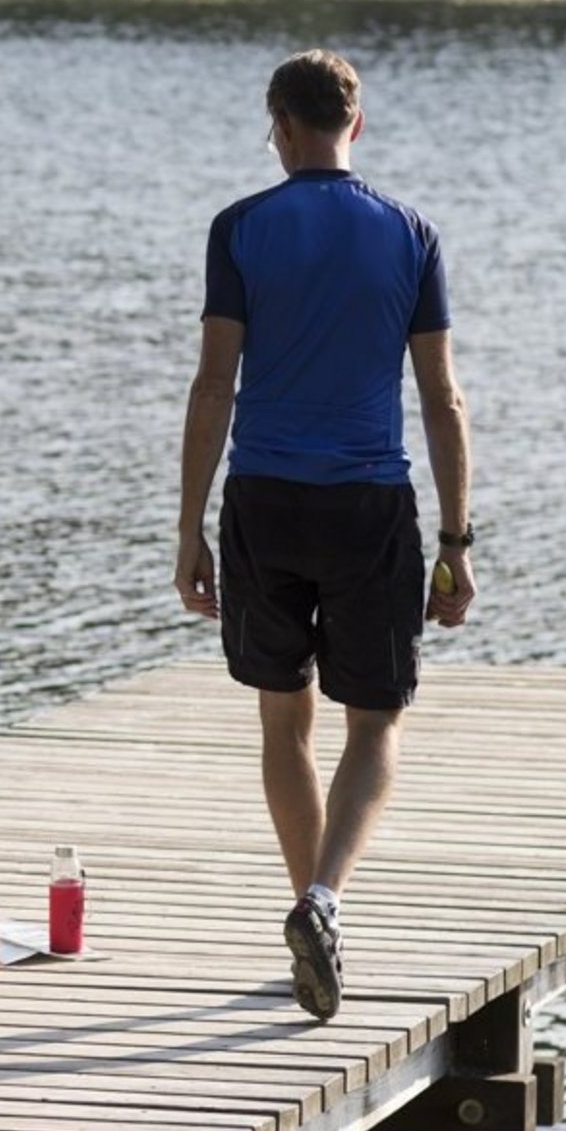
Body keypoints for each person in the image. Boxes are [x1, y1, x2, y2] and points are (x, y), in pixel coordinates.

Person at [173, 50, 475, 1022]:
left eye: (272, 127)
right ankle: (324, 900)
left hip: (263, 498)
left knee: (281, 719)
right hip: (368, 504)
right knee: (376, 720)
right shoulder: (411, 233)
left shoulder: (241, 228)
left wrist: (188, 526)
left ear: (284, 125)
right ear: (357, 125)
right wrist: (457, 541)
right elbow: (442, 396)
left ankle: (309, 905)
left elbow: (214, 384)